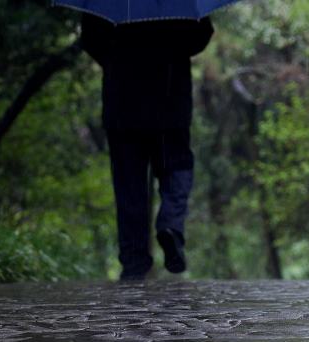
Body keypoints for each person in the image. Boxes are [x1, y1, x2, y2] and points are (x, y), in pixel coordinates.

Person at [81, 14, 214, 280]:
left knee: (129, 184)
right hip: (169, 98)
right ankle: (171, 225)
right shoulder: (178, 4)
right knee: (176, 167)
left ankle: (133, 261)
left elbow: (90, 38)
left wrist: (118, 59)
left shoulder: (108, 4)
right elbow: (200, 34)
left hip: (123, 102)